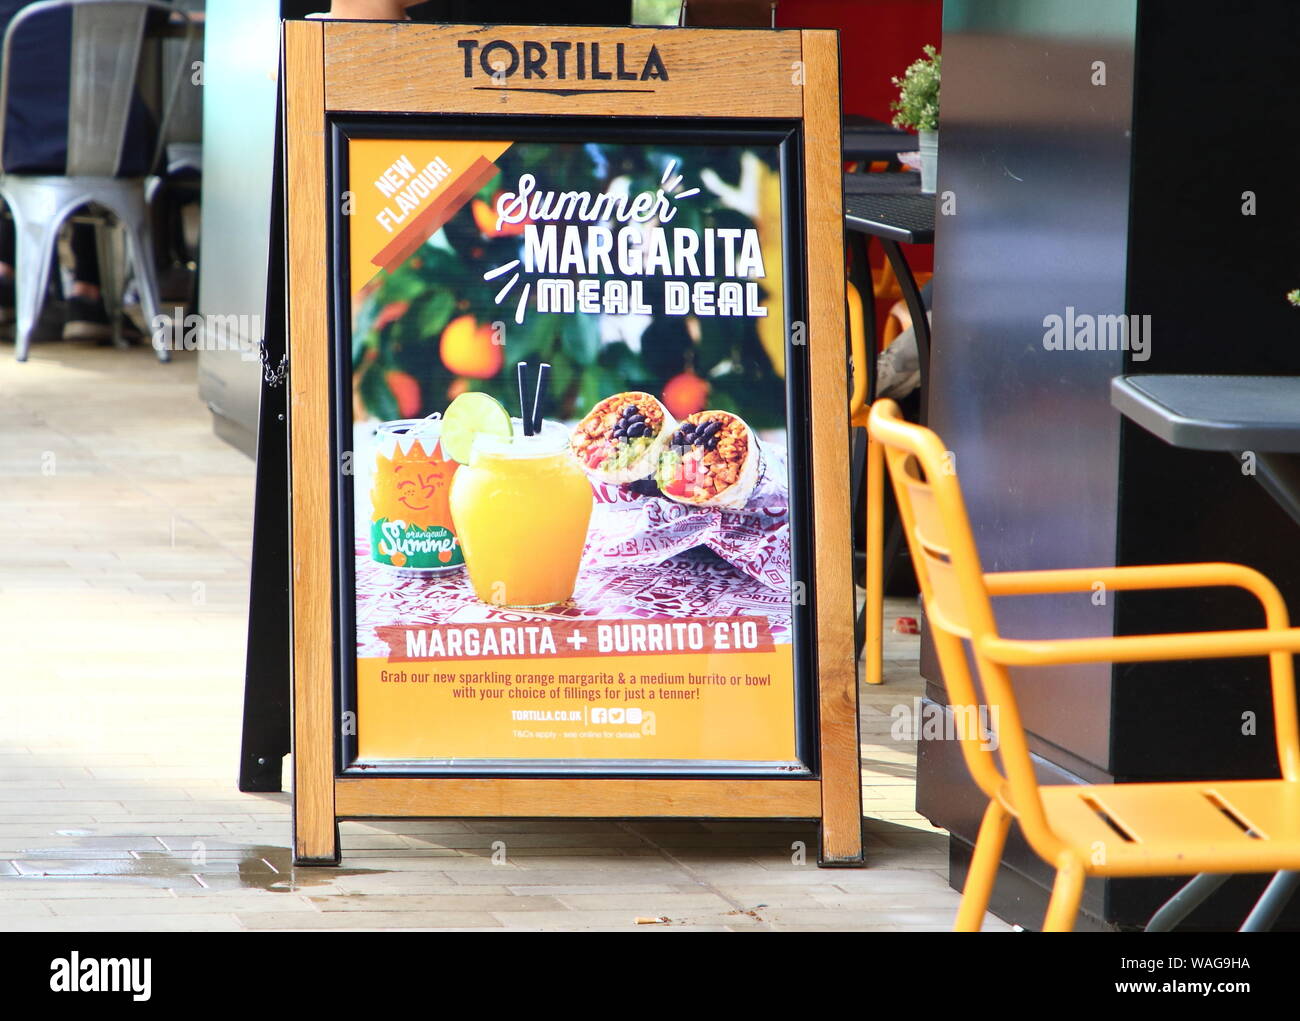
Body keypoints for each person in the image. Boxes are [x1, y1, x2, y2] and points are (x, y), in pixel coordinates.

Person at [0, 0, 164, 341]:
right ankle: (87, 293)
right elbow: (158, 15)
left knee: (32, 117)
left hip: (23, 145)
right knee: (91, 124)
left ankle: (5, 275)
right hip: (114, 150)